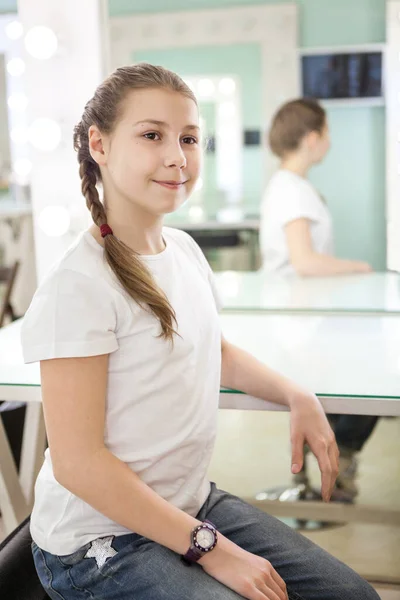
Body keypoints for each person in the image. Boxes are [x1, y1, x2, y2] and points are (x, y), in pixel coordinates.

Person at [21, 65, 378, 600]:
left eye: (189, 139)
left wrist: (294, 395)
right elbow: (79, 465)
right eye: (151, 135)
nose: (177, 156)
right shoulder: (77, 284)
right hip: (98, 544)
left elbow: (216, 352)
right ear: (99, 143)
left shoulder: (184, 251)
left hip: (185, 504)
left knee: (352, 594)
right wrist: (216, 549)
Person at [260, 98, 379, 502]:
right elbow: (305, 261)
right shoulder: (293, 191)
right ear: (312, 138)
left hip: (301, 318)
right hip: (300, 325)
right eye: (327, 133)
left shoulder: (288, 185)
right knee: (377, 367)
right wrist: (358, 267)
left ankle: (337, 455)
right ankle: (340, 453)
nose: (330, 141)